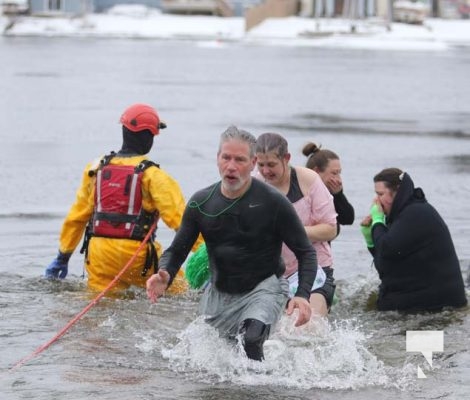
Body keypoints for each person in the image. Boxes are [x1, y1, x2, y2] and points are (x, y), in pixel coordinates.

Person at [146, 125, 317, 361]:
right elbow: (178, 249)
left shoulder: (273, 202)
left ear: (253, 162)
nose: (231, 166)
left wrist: (302, 295)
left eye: (240, 159)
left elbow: (306, 252)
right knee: (217, 356)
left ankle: (261, 389)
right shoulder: (201, 202)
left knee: (251, 340)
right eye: (226, 157)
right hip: (219, 293)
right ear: (217, 158)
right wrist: (165, 273)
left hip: (264, 287)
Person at [45, 103, 192, 295]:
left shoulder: (95, 169)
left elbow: (77, 216)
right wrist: (206, 253)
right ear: (150, 136)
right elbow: (182, 222)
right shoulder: (154, 176)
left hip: (99, 257)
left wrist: (63, 256)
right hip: (138, 258)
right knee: (182, 292)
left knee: (100, 304)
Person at [360, 168, 467, 312]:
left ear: (397, 191)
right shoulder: (402, 215)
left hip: (437, 306)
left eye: (380, 194)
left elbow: (386, 249)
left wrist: (378, 222)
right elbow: (385, 265)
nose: (375, 202)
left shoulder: (416, 213)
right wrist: (370, 239)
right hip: (422, 302)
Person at [255, 133, 337, 317]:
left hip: (314, 268)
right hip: (273, 274)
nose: (266, 171)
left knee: (306, 328)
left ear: (286, 158)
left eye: (271, 164)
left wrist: (290, 231)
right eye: (261, 165)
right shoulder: (254, 184)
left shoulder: (307, 180)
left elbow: (331, 229)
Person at [303, 142, 355, 236]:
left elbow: (348, 219)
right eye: (334, 173)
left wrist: (338, 195)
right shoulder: (300, 191)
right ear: (317, 171)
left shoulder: (331, 193)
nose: (338, 179)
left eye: (339, 173)